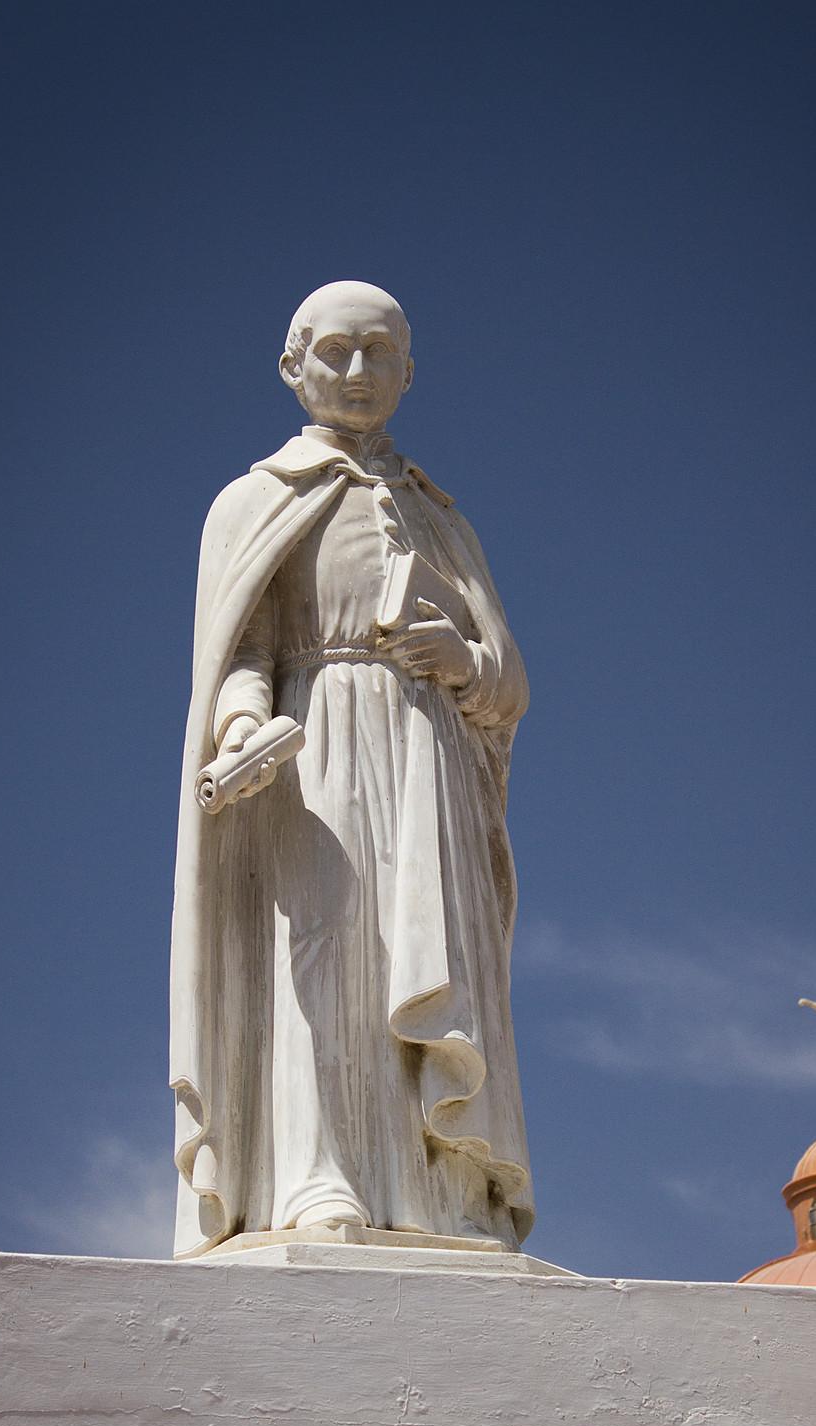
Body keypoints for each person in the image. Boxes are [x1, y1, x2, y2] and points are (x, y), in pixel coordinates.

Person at [169, 281, 534, 1256]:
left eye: (379, 353)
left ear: (408, 372)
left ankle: (437, 1186)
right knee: (320, 952)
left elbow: (508, 676)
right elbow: (236, 654)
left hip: (428, 754)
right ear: (294, 366)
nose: (359, 371)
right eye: (337, 351)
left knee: (424, 948)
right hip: (313, 738)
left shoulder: (442, 519)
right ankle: (315, 1175)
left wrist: (465, 663)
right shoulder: (253, 502)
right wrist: (245, 728)